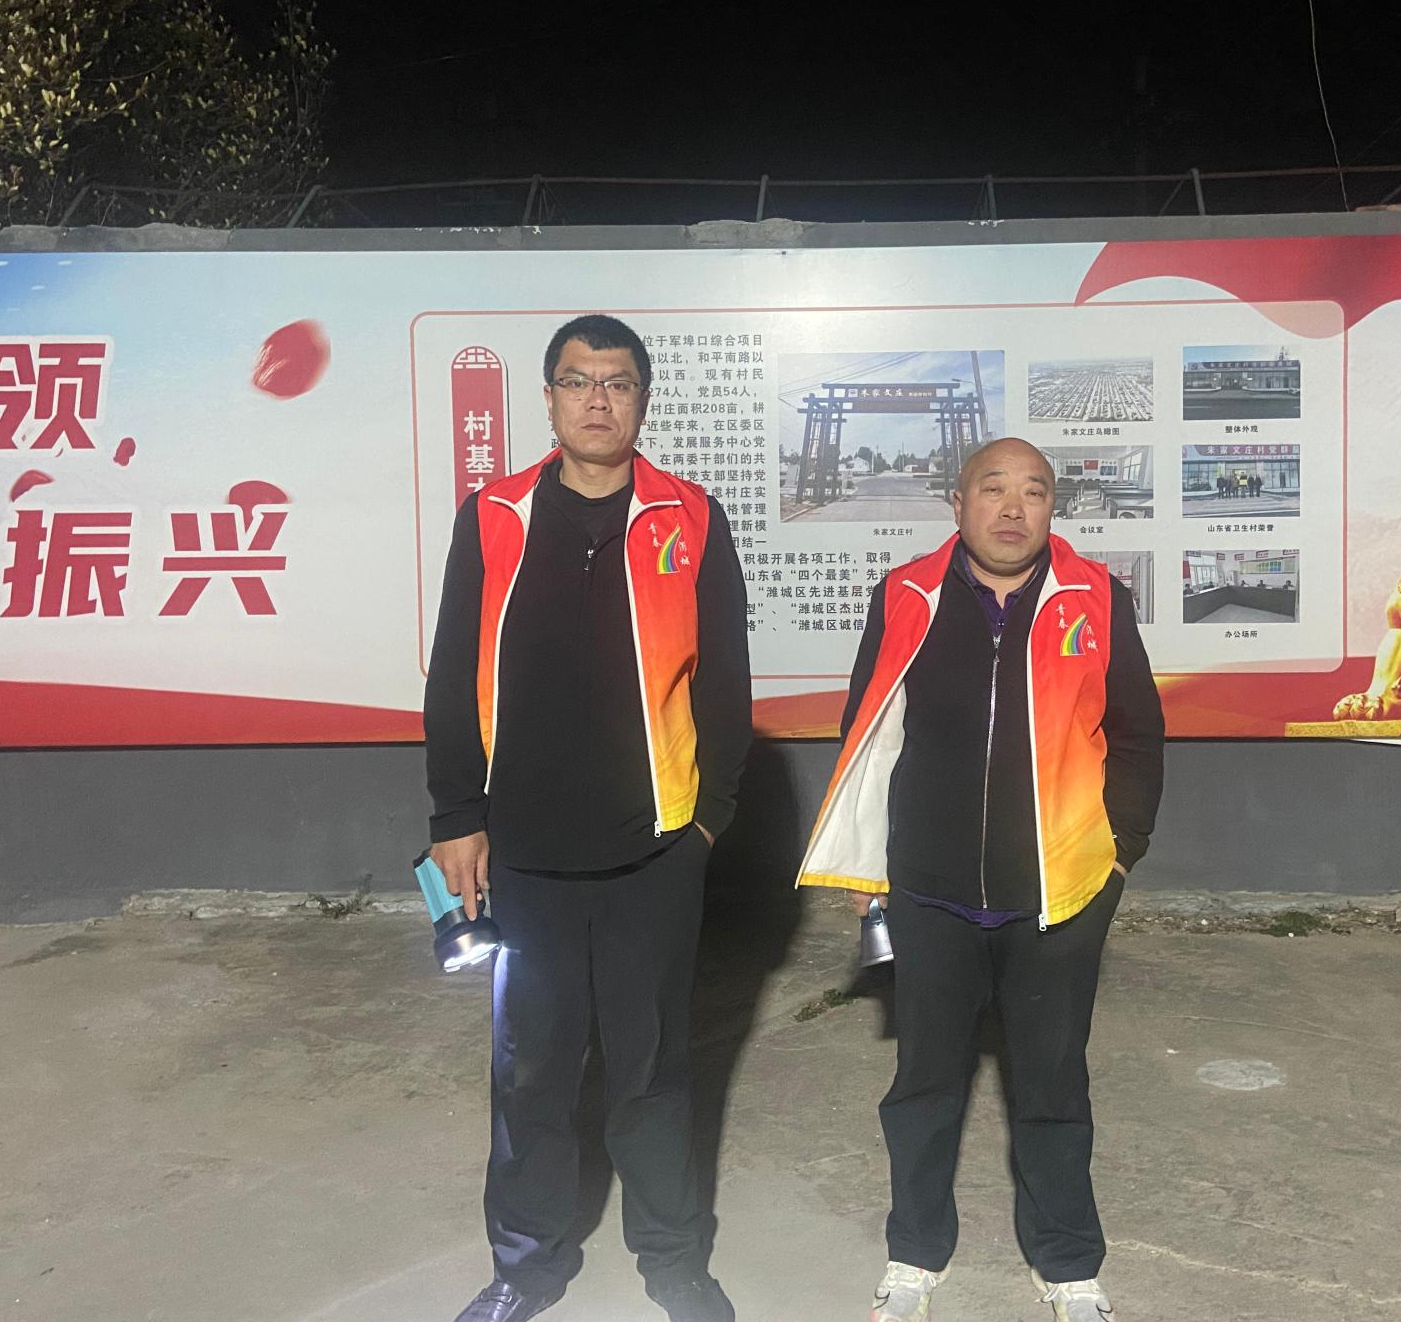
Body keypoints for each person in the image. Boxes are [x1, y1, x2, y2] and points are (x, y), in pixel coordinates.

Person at [425, 315, 751, 1322]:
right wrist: (457, 814)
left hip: (654, 854)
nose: (598, 400)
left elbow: (726, 683)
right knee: (531, 1073)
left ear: (642, 400)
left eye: (617, 382)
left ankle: (674, 1263)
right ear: (550, 398)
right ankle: (525, 1267)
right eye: (578, 381)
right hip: (523, 855)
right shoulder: (495, 516)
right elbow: (452, 670)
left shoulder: (690, 518)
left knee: (652, 1076)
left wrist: (706, 824)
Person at [796, 438, 1165, 1322]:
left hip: (1060, 893)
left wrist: (1119, 854)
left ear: (1052, 509)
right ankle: (915, 1252)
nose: (1012, 508)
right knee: (924, 1085)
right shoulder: (908, 594)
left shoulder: (1095, 598)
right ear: (957, 504)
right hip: (928, 891)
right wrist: (873, 864)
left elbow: (1137, 734)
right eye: (993, 489)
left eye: (1033, 492)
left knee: (1052, 1085)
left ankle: (1068, 1264)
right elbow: (870, 727)